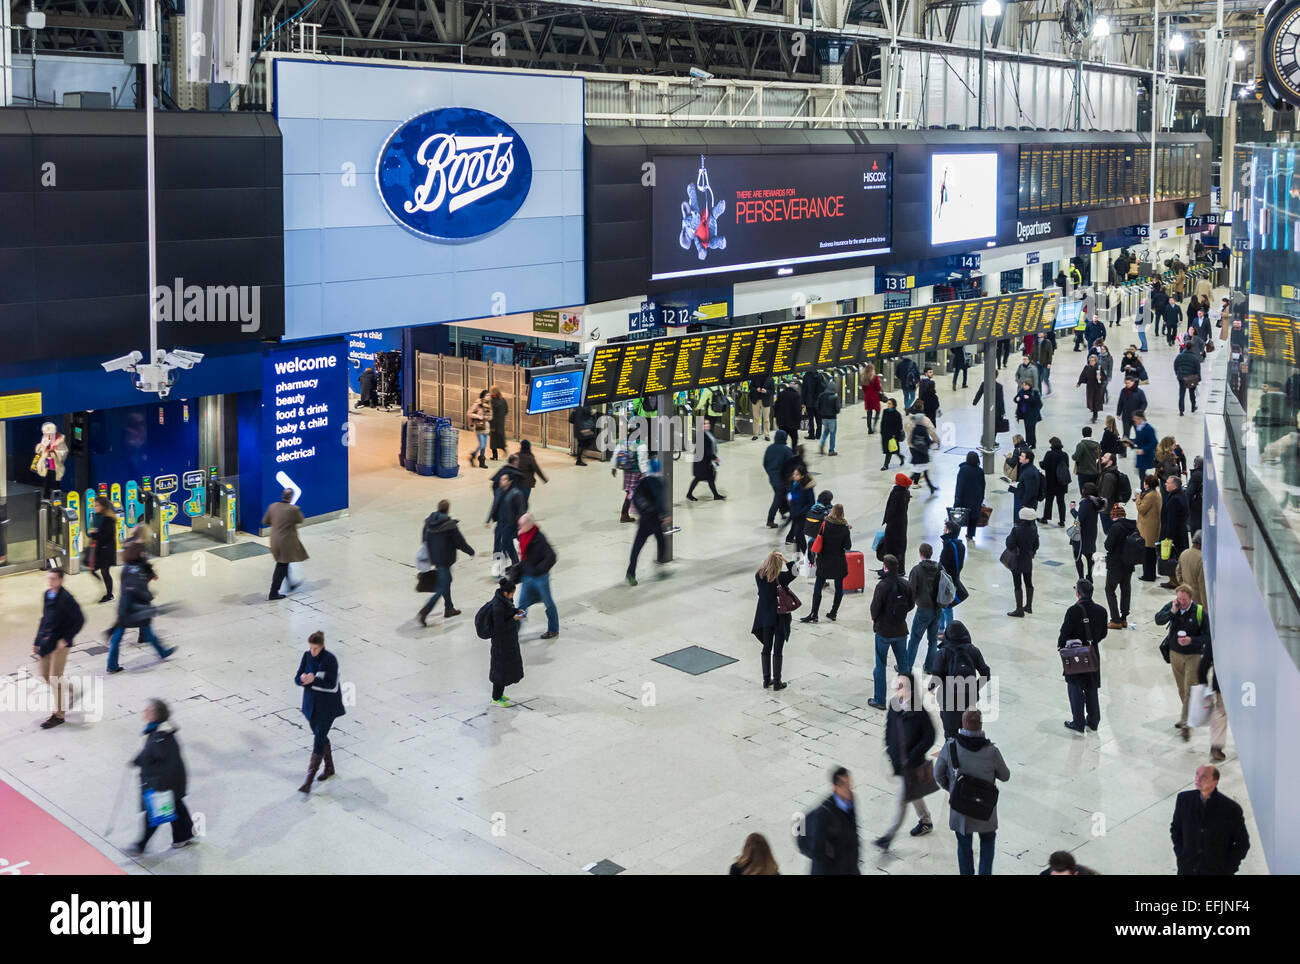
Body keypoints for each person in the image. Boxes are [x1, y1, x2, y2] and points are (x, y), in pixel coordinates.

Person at [933, 708, 1009, 876]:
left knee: (963, 845)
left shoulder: (950, 747)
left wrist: (952, 789)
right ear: (981, 725)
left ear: (963, 723)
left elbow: (938, 774)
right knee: (988, 843)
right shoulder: (992, 751)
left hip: (961, 811)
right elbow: (1005, 776)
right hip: (985, 810)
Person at [874, 673, 937, 849]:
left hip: (912, 763)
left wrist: (915, 754)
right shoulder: (894, 705)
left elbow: (930, 736)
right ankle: (926, 820)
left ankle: (888, 837)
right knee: (914, 793)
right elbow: (889, 729)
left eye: (901, 685)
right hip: (900, 762)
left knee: (902, 800)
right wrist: (889, 748)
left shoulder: (919, 711)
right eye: (897, 684)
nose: (897, 688)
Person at [127, 698, 195, 853]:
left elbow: (165, 762)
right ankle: (183, 836)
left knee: (154, 814)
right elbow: (151, 753)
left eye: (147, 710)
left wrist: (159, 789)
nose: (143, 712)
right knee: (177, 807)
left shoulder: (161, 737)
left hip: (164, 784)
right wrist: (138, 759)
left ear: (155, 715)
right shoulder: (157, 731)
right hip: (171, 783)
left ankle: (140, 845)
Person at [106, 545, 176, 674]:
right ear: (137, 554)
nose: (144, 554)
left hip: (127, 607)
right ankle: (163, 652)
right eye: (142, 553)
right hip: (136, 608)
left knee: (121, 635)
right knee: (144, 632)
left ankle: (112, 664)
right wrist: (148, 595)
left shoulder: (129, 567)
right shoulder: (134, 570)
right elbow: (136, 589)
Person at [1170, 766, 1250, 875]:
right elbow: (1176, 829)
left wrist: (1228, 869)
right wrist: (1181, 854)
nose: (1197, 779)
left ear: (1215, 782)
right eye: (1197, 774)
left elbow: (1243, 844)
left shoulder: (1231, 809)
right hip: (1187, 869)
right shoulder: (1183, 799)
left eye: (1203, 777)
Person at [293, 630, 345, 792]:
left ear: (322, 646)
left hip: (327, 706)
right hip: (311, 705)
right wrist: (302, 680)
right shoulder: (307, 656)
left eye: (315, 649)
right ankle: (329, 767)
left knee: (319, 738)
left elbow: (331, 684)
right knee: (319, 735)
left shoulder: (330, 660)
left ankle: (308, 780)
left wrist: (313, 680)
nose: (312, 652)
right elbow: (297, 677)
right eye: (310, 648)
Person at [1156, 585, 1210, 741]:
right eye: (1179, 599)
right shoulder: (1173, 606)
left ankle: (1186, 722)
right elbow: (1158, 619)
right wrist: (1172, 611)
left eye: (1184, 600)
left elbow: (1207, 637)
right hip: (1175, 655)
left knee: (1190, 689)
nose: (1181, 602)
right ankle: (1189, 714)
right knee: (1181, 689)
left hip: (1192, 656)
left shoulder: (1200, 612)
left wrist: (1191, 640)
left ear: (1190, 598)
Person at [33, 568, 84, 730]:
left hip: (60, 644)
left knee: (55, 678)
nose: (50, 582)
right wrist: (37, 640)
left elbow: (80, 620)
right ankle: (72, 689)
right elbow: (44, 618)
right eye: (49, 579)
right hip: (46, 642)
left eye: (54, 579)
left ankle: (59, 715)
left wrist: (65, 639)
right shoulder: (47, 595)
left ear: (61, 580)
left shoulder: (67, 599)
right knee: (45, 675)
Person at [1057, 579, 1109, 733]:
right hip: (1093, 652)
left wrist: (1061, 646)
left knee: (1075, 687)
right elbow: (1103, 634)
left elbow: (1064, 633)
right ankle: (1093, 720)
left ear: (1077, 593)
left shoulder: (1073, 611)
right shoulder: (1102, 611)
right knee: (1091, 686)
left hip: (1076, 654)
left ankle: (1078, 722)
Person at [928, 620, 990, 739]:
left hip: (949, 701)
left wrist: (930, 688)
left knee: (950, 737)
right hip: (969, 700)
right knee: (969, 733)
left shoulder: (943, 653)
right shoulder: (973, 650)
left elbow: (936, 678)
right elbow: (986, 673)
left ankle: (952, 756)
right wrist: (975, 688)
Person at [417, 500, 475, 625]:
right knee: (442, 586)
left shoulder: (428, 523)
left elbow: (424, 540)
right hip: (445, 560)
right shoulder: (450, 526)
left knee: (446, 583)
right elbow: (460, 542)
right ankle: (426, 610)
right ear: (448, 510)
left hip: (435, 559)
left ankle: (449, 608)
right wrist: (470, 551)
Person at [869, 553, 913, 710]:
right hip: (901, 630)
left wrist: (877, 620)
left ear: (885, 567)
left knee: (880, 664)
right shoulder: (905, 584)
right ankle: (905, 699)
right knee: (904, 665)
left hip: (884, 631)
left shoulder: (882, 586)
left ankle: (880, 700)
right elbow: (911, 604)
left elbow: (874, 608)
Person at [753, 550, 798, 690]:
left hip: (765, 616)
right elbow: (795, 571)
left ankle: (766, 680)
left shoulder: (758, 575)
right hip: (780, 617)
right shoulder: (781, 577)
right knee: (777, 650)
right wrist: (785, 559)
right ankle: (777, 682)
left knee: (766, 647)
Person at [801, 504, 851, 623]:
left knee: (818, 586)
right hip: (838, 561)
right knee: (839, 587)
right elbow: (848, 546)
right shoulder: (844, 528)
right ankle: (833, 613)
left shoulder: (825, 524)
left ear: (832, 511)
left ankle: (814, 614)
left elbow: (817, 539)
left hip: (824, 561)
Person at [806, 766, 861, 875]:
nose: (848, 788)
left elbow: (853, 830)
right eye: (844, 785)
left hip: (850, 866)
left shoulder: (851, 801)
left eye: (849, 784)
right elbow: (818, 852)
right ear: (835, 787)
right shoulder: (823, 814)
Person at [513, 513, 559, 639]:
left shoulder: (539, 539)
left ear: (529, 525)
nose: (519, 527)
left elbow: (552, 556)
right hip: (527, 577)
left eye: (522, 525)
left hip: (540, 579)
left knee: (548, 603)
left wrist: (538, 570)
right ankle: (513, 631)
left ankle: (553, 629)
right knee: (522, 605)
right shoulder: (523, 535)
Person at [483, 579, 526, 707]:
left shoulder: (504, 601)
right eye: (512, 593)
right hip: (501, 644)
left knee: (505, 669)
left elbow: (507, 614)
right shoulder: (498, 606)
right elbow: (499, 628)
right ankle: (496, 698)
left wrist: (515, 611)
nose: (513, 595)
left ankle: (500, 695)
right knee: (500, 671)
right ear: (506, 593)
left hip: (508, 641)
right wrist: (514, 619)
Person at [627, 460, 669, 586]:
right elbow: (659, 499)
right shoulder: (658, 482)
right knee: (661, 541)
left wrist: (641, 513)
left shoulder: (643, 481)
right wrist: (664, 515)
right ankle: (660, 565)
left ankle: (631, 572)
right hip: (654, 519)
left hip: (644, 519)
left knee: (637, 546)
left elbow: (634, 498)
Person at [903, 543, 944, 673]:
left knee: (914, 639)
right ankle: (930, 666)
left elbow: (911, 591)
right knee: (932, 640)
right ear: (931, 553)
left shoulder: (916, 570)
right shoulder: (939, 568)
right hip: (937, 609)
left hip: (923, 609)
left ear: (920, 554)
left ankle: (907, 667)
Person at [263, 489, 307, 601]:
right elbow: (300, 520)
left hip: (274, 540)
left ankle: (290, 584)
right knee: (281, 566)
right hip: (286, 542)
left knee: (284, 563)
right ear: (291, 497)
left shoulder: (272, 506)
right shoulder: (293, 509)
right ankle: (273, 592)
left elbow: (266, 521)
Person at [1103, 504, 1139, 628]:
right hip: (1128, 564)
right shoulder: (1133, 526)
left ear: (1113, 516)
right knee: (1126, 590)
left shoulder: (1116, 528)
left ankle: (1115, 620)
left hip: (1115, 564)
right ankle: (1124, 619)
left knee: (1110, 589)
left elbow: (1108, 546)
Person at [1197, 631, 1229, 763]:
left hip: (1222, 681)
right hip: (1245, 683)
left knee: (1220, 711)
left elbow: (1205, 660)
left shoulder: (1218, 635)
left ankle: (1216, 745)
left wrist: (1203, 682)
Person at [487, 471, 526, 568]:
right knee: (501, 545)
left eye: (504, 479)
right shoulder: (499, 491)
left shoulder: (516, 494)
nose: (501, 481)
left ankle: (511, 565)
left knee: (507, 545)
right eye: (501, 479)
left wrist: (520, 525)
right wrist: (488, 519)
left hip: (511, 524)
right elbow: (494, 506)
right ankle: (511, 564)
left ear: (510, 481)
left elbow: (521, 511)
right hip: (501, 523)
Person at [1005, 506, 1039, 617]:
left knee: (1017, 584)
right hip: (1028, 560)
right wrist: (1032, 552)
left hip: (1017, 561)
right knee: (1029, 582)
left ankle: (1019, 609)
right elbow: (1036, 544)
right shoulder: (1034, 529)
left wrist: (1015, 549)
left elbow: (1009, 543)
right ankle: (1028, 606)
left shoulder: (1016, 529)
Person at [1159, 475, 1190, 588]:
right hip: (1181, 533)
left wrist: (1168, 538)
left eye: (1168, 483)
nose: (1166, 484)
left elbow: (1171, 521)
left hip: (1174, 535)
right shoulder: (1180, 495)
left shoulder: (1174, 500)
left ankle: (1175, 580)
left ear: (1174, 485)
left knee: (1173, 557)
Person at [937, 521, 968, 634]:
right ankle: (944, 629)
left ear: (949, 531)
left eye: (945, 528)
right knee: (945, 605)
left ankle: (945, 630)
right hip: (953, 578)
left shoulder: (950, 546)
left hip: (946, 579)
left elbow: (943, 564)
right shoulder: (959, 545)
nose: (943, 530)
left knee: (945, 605)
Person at [1070, 483, 1105, 582]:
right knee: (1090, 556)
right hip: (1091, 533)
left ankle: (1081, 580)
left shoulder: (1085, 503)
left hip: (1081, 535)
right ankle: (1089, 576)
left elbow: (1079, 519)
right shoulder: (1096, 503)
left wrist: (1072, 510)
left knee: (1078, 556)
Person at [88, 495, 118, 604]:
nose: (95, 507)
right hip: (100, 549)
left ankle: (109, 594)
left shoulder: (109, 519)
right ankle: (107, 591)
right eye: (94, 505)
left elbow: (108, 535)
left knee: (105, 571)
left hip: (107, 550)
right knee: (96, 570)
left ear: (103, 506)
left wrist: (95, 535)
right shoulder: (97, 516)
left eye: (97, 505)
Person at [686, 418, 725, 500]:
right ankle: (689, 494)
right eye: (705, 424)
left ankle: (716, 495)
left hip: (707, 460)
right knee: (699, 478)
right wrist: (714, 457)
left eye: (708, 423)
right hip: (702, 462)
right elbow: (705, 450)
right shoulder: (700, 435)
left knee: (709, 478)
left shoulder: (707, 433)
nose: (707, 425)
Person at [906, 402, 940, 494]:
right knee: (917, 471)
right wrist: (936, 442)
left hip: (912, 448)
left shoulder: (909, 420)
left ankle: (930, 487)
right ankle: (906, 486)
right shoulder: (925, 422)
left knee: (922, 470)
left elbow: (908, 434)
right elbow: (931, 433)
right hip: (922, 452)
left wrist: (911, 443)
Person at [878, 473, 912, 566]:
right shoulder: (906, 493)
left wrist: (886, 520)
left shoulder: (896, 493)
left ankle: (889, 568)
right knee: (900, 546)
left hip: (893, 524)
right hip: (902, 523)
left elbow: (891, 509)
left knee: (890, 547)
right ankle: (900, 568)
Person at [1135, 473, 1163, 582]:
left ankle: (1148, 575)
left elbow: (1141, 509)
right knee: (1151, 553)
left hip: (1148, 528)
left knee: (1147, 554)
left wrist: (1138, 498)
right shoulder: (1156, 493)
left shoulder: (1150, 496)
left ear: (1147, 484)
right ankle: (1150, 573)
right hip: (1153, 527)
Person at [763, 430, 794, 527]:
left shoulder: (770, 448)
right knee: (778, 498)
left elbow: (765, 463)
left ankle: (783, 511)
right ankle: (770, 519)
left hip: (773, 478)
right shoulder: (786, 450)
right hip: (783, 480)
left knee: (781, 495)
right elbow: (791, 465)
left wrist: (770, 473)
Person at [953, 451, 985, 540]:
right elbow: (983, 486)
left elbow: (959, 486)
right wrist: (981, 499)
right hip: (976, 499)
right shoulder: (980, 471)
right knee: (973, 517)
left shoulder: (963, 470)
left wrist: (957, 500)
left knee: (959, 517)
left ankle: (955, 535)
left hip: (964, 499)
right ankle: (970, 535)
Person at [785, 466, 817, 556]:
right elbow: (790, 493)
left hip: (802, 516)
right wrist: (789, 498)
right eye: (794, 474)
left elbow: (811, 503)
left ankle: (807, 556)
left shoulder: (807, 487)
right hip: (794, 514)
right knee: (798, 536)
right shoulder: (793, 483)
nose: (794, 476)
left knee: (799, 536)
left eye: (797, 474)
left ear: (802, 476)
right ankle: (800, 557)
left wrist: (801, 511)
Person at [32, 422, 68, 499]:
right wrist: (42, 447)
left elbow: (64, 451)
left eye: (50, 434)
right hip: (46, 461)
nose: (48, 435)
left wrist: (54, 453)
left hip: (55, 462)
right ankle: (46, 495)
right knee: (46, 478)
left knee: (56, 479)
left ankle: (57, 495)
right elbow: (40, 450)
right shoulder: (45, 438)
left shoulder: (60, 439)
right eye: (46, 434)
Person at [1040, 437, 1070, 525]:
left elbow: (1044, 465)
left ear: (1052, 444)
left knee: (1049, 501)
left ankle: (1045, 518)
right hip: (1062, 482)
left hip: (1051, 482)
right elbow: (1067, 466)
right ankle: (1062, 520)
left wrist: (1041, 463)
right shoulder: (1065, 455)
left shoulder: (1049, 454)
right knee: (1061, 501)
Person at [1176, 530, 1207, 608]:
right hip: (1198, 600)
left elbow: (1178, 573)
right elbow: (1202, 585)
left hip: (1185, 598)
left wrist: (1184, 586)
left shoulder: (1184, 553)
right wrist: (1206, 605)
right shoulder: (1202, 559)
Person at [513, 439, 548, 507]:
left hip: (517, 482)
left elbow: (509, 467)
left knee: (518, 500)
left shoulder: (516, 456)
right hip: (527, 483)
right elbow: (537, 470)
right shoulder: (530, 458)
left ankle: (518, 513)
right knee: (524, 500)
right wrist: (544, 479)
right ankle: (523, 514)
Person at [972, 379, 1007, 445]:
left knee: (987, 424)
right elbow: (1000, 399)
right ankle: (992, 440)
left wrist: (975, 401)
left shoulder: (984, 384)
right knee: (995, 425)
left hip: (987, 407)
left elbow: (979, 393)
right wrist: (1002, 411)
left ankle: (986, 439)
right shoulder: (999, 386)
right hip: (996, 409)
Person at [1010, 448, 1041, 520]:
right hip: (1029, 502)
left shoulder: (1028, 473)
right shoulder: (1029, 469)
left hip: (1027, 504)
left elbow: (1030, 491)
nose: (1019, 457)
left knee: (1025, 524)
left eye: (1022, 456)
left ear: (1027, 460)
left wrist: (1024, 504)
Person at [1174, 341, 1202, 416]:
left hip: (1181, 377)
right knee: (1192, 393)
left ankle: (1181, 410)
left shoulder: (1179, 356)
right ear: (1192, 348)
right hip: (1191, 378)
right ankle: (1193, 407)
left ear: (1185, 347)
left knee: (1181, 394)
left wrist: (1177, 374)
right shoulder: (1194, 358)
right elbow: (1198, 369)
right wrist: (1198, 378)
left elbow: (1175, 365)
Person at [1013, 380, 1043, 449]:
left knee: (1031, 429)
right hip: (1024, 414)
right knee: (1027, 428)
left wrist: (1029, 398)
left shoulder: (1034, 392)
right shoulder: (1021, 392)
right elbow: (1015, 398)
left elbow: (1038, 403)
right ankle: (1028, 442)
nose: (1023, 386)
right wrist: (1016, 399)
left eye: (1025, 385)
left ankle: (1032, 444)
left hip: (1032, 414)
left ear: (1028, 386)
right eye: (1023, 385)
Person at [1078, 353, 1106, 424]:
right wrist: (1079, 382)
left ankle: (1095, 415)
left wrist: (1100, 378)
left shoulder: (1099, 368)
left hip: (1097, 387)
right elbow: (1082, 375)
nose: (1091, 362)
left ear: (1096, 361)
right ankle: (1093, 410)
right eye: (1090, 360)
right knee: (1091, 400)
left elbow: (1104, 377)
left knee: (1096, 401)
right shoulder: (1087, 367)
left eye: (1093, 360)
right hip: (1090, 387)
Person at [1072, 426, 1101, 494]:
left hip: (1083, 473)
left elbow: (1075, 457)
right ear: (1091, 434)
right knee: (1093, 492)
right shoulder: (1097, 445)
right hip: (1094, 472)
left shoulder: (1081, 445)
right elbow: (1099, 456)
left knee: (1084, 493)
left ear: (1083, 434)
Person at [880, 397, 906, 469]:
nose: (888, 405)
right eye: (888, 403)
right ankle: (901, 457)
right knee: (894, 450)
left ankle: (886, 465)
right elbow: (882, 422)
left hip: (893, 436)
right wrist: (882, 432)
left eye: (890, 404)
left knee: (889, 451)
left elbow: (899, 426)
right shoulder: (885, 412)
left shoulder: (897, 414)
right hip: (885, 434)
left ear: (894, 405)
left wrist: (894, 435)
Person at [1129, 410, 1158, 477]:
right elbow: (1138, 440)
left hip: (1146, 455)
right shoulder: (1137, 427)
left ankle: (1147, 485)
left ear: (1141, 418)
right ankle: (1148, 484)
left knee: (1141, 474)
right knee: (1141, 474)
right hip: (1140, 455)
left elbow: (1154, 443)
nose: (1135, 421)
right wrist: (1130, 442)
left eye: (1136, 419)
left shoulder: (1149, 429)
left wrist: (1144, 450)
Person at [466, 389, 490, 468]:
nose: (488, 397)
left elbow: (490, 415)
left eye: (489, 395)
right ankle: (473, 455)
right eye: (487, 395)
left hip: (486, 427)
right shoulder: (477, 404)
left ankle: (482, 463)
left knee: (484, 445)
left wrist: (488, 417)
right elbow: (469, 413)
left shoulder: (488, 405)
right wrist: (478, 416)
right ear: (483, 396)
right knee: (482, 445)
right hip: (479, 427)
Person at [801, 369, 825, 442]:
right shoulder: (820, 376)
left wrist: (803, 402)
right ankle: (818, 435)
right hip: (818, 402)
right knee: (819, 419)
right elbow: (824, 388)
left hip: (809, 402)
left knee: (811, 419)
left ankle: (811, 434)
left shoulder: (806, 377)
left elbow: (804, 390)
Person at [750, 374, 775, 440]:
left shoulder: (770, 378)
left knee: (766, 419)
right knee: (756, 418)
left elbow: (773, 391)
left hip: (766, 401)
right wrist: (756, 389)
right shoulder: (755, 377)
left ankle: (767, 435)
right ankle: (755, 434)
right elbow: (751, 387)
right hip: (756, 400)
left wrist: (766, 391)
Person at [488, 385, 509, 460]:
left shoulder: (492, 402)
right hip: (501, 423)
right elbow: (506, 411)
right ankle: (504, 449)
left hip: (494, 424)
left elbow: (492, 414)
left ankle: (495, 456)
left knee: (493, 441)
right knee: (500, 438)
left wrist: (492, 426)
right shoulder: (503, 400)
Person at [861, 364, 883, 433]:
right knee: (878, 411)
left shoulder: (863, 378)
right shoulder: (875, 377)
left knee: (869, 413)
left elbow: (863, 388)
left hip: (867, 397)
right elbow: (878, 388)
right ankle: (874, 426)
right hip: (874, 397)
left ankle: (869, 429)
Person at [1186, 456, 1204, 530]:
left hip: (1196, 505)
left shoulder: (1195, 476)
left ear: (1195, 465)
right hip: (1202, 504)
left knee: (1195, 526)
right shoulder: (1205, 473)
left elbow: (1189, 492)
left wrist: (1186, 507)